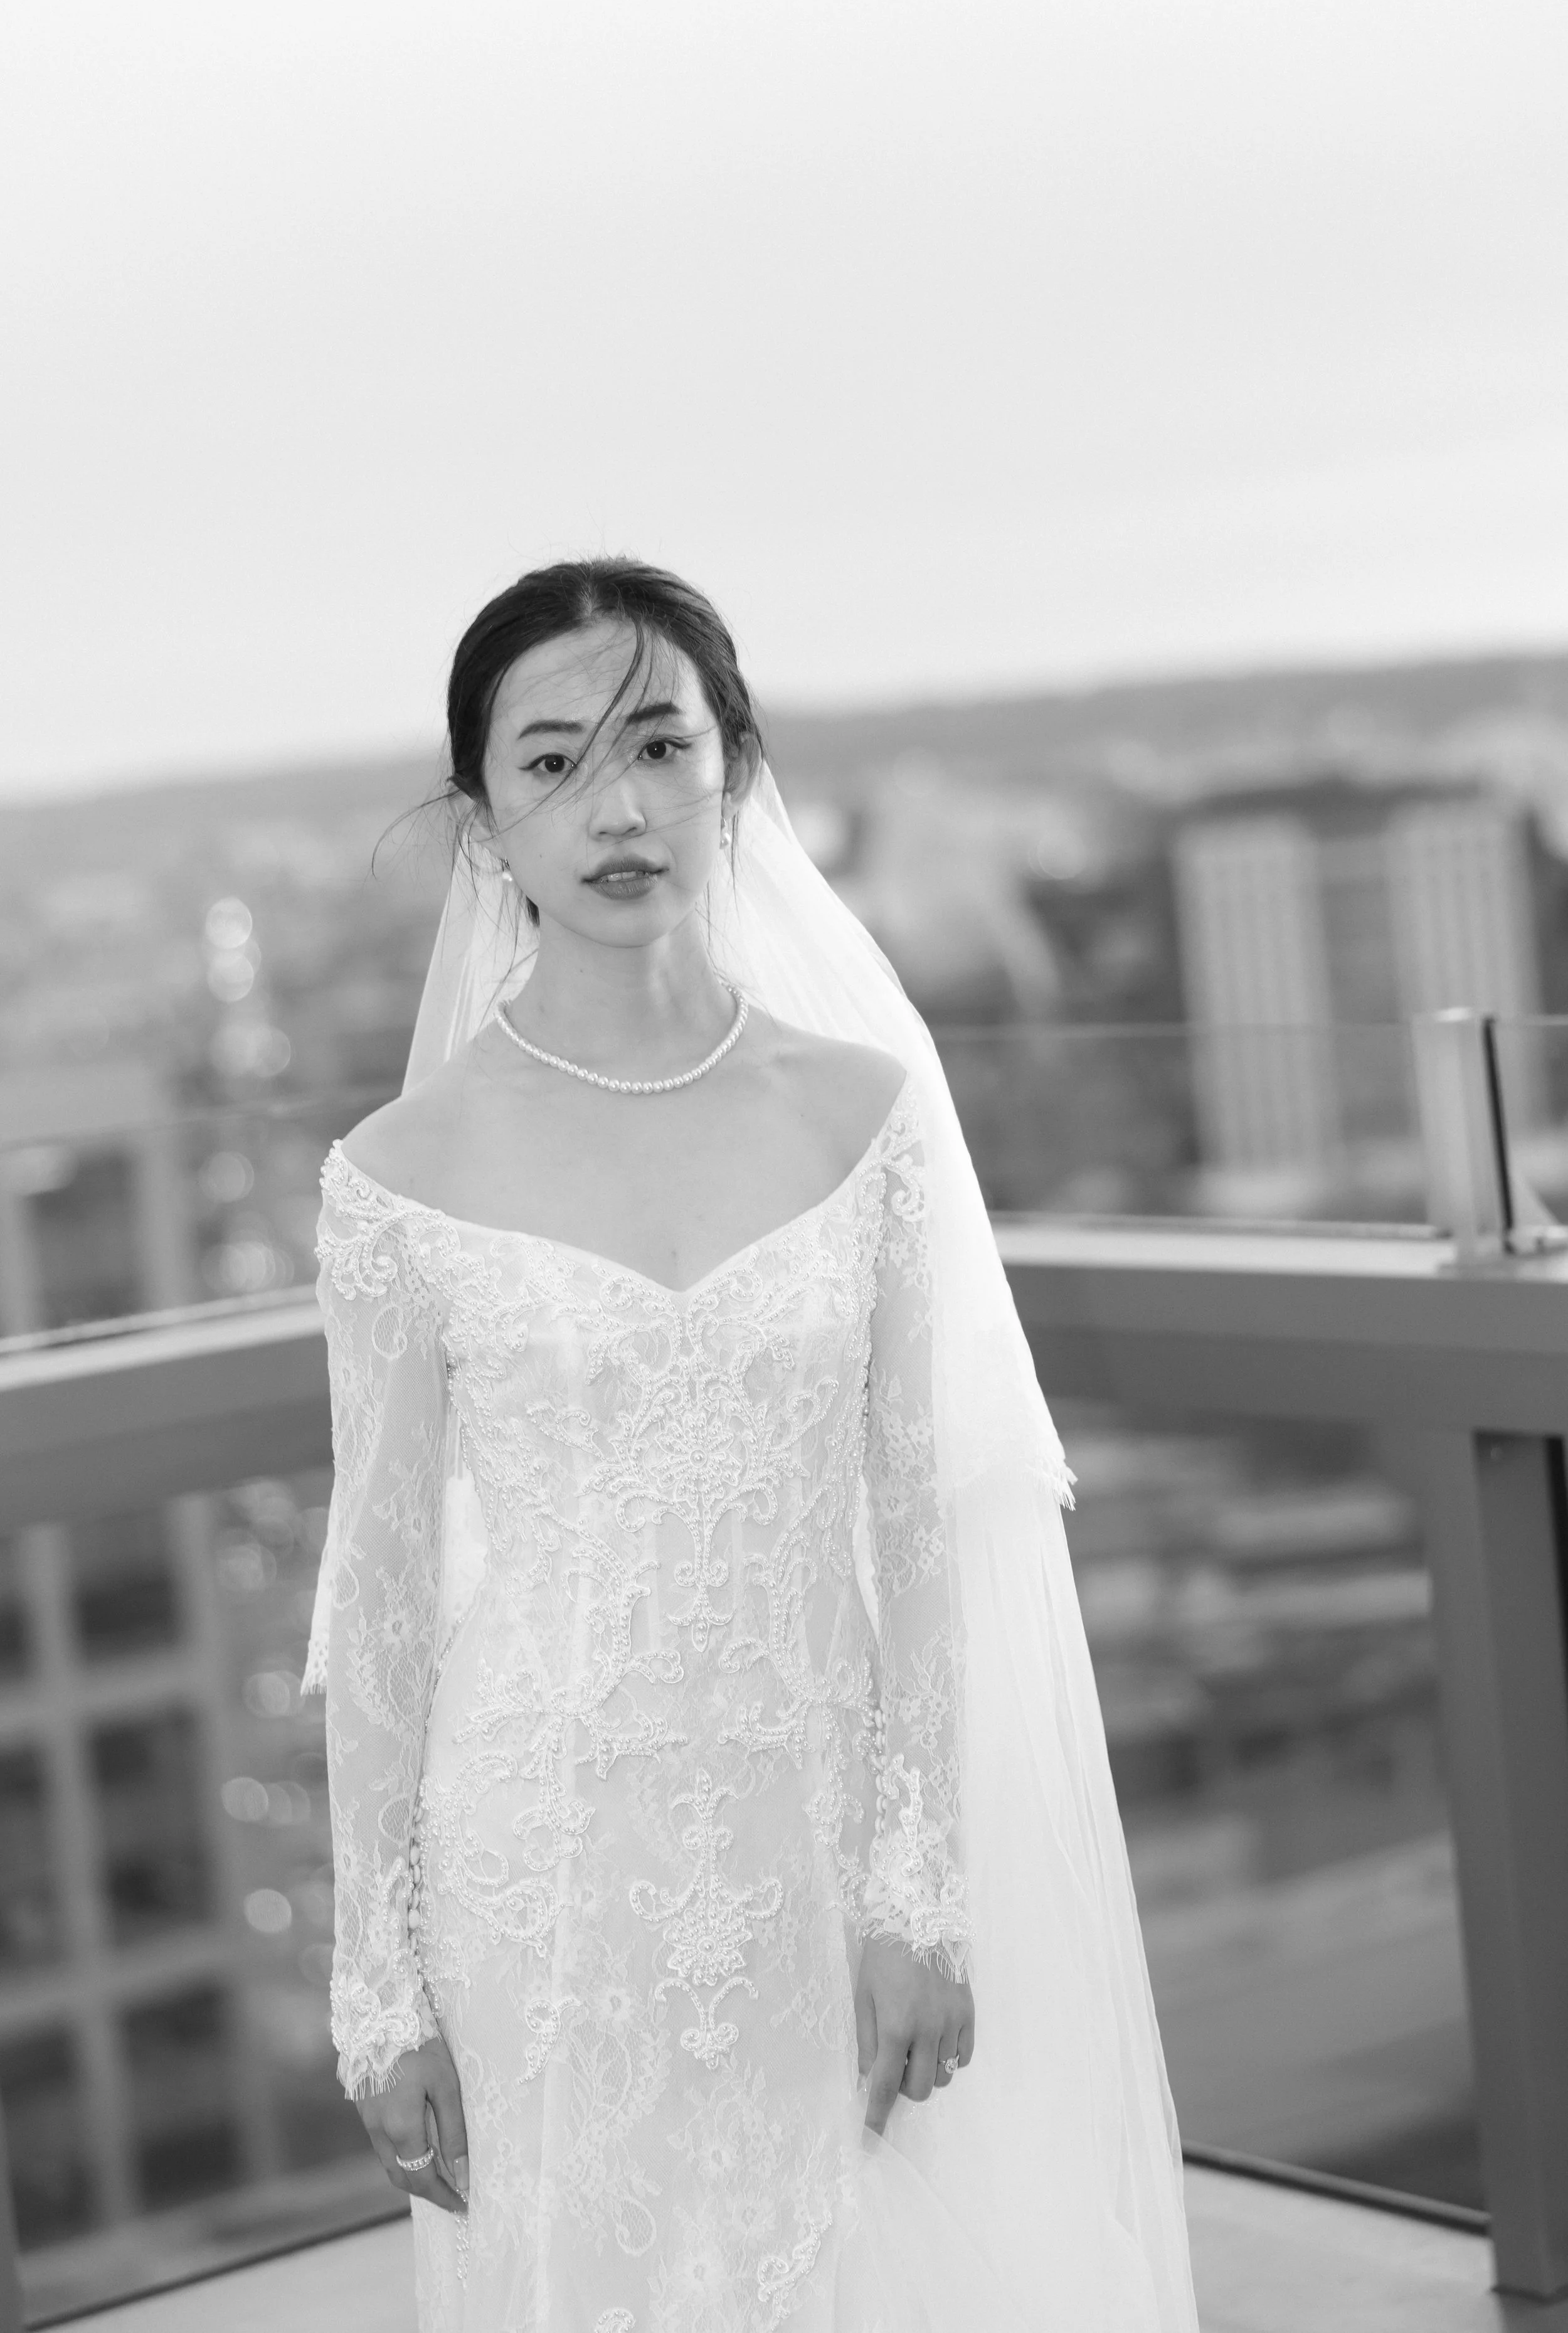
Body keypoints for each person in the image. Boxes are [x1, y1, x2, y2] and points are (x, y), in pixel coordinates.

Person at [302, 560, 1197, 2331]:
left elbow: (917, 1524)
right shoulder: (394, 1177)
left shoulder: (864, 1116)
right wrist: (378, 1978)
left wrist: (918, 1891)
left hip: (817, 1840)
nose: (617, 805)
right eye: (550, 763)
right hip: (539, 1866)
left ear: (734, 766)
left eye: (659, 742)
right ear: (482, 821)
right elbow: (387, 1597)